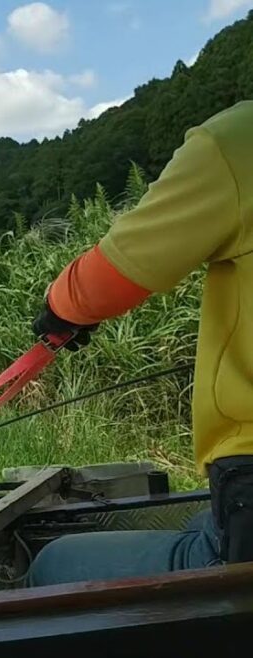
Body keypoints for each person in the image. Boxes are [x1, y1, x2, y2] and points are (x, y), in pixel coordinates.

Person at [25, 101, 253, 587]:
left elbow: (114, 274)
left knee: (52, 563)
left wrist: (60, 307)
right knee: (196, 522)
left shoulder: (239, 140)